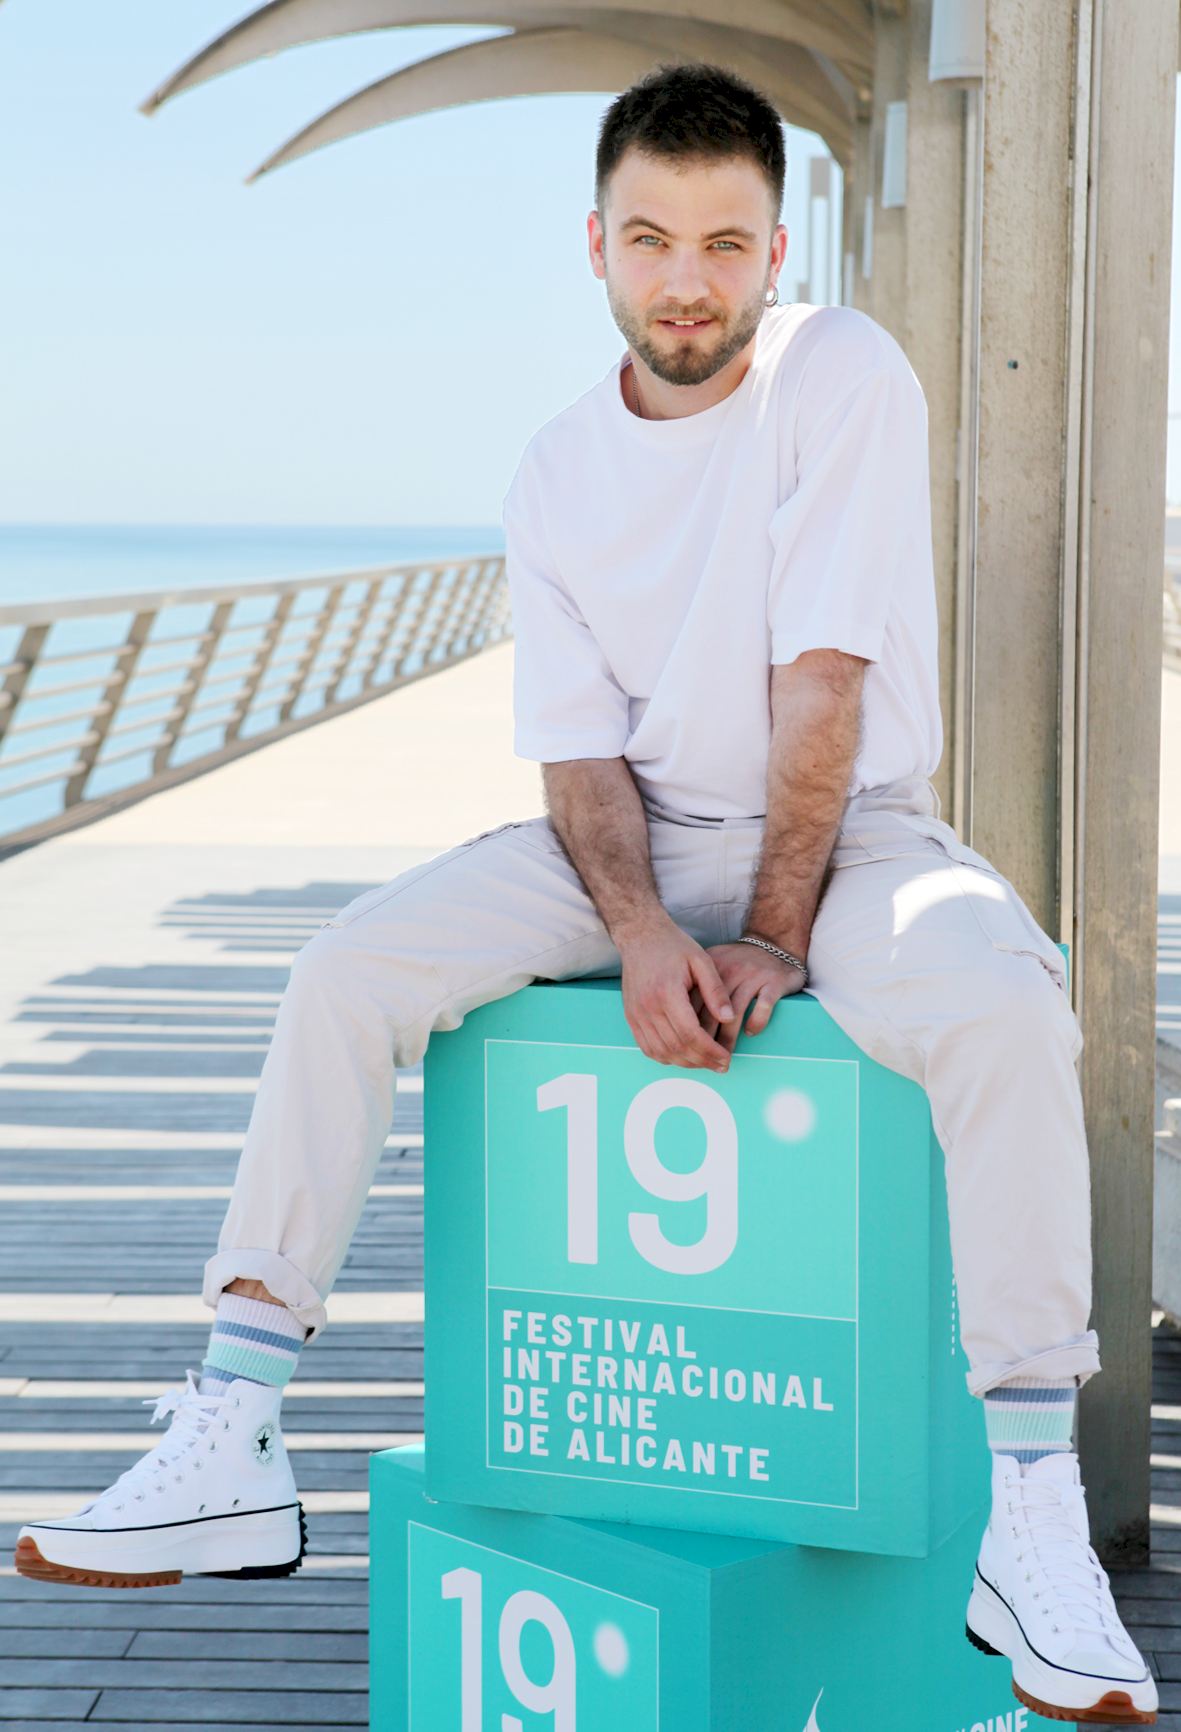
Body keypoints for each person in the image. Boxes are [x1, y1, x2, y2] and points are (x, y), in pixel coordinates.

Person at [15, 60, 1157, 1726]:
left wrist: (769, 934)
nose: (685, 279)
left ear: (775, 254)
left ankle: (1031, 1509)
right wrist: (637, 932)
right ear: (595, 245)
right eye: (649, 238)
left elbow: (823, 688)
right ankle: (234, 1425)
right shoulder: (553, 468)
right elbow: (576, 761)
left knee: (997, 1003)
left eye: (723, 242)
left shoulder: (838, 370)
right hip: (624, 839)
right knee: (343, 972)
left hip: (846, 835)